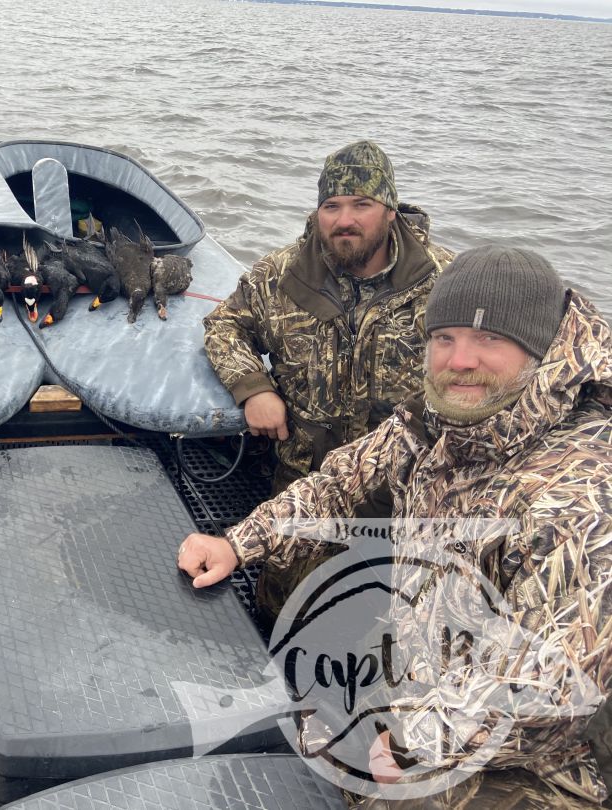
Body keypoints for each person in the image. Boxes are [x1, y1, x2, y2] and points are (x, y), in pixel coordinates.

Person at [179, 246, 612, 807]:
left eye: (490, 340)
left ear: (542, 349)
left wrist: (415, 741)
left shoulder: (576, 495)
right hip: (417, 674)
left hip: (538, 763)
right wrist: (238, 542)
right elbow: (341, 481)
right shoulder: (447, 415)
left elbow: (551, 689)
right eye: (445, 338)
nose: (460, 360)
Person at [202, 139, 454, 617]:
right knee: (283, 613)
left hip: (405, 493)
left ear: (391, 210)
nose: (345, 220)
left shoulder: (446, 282)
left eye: (362, 204)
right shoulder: (280, 275)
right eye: (332, 205)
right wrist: (254, 388)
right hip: (304, 481)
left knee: (390, 626)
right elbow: (224, 326)